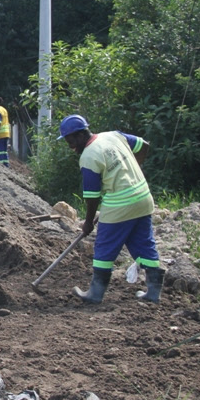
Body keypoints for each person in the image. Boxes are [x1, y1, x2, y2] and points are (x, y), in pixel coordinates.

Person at [58, 114, 164, 303]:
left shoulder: (88, 156)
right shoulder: (114, 136)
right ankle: (154, 293)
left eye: (70, 141)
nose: (70, 146)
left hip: (119, 206)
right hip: (143, 198)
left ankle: (95, 294)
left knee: (104, 247)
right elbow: (143, 145)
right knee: (143, 243)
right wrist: (133, 168)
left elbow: (92, 197)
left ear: (81, 135)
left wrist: (88, 223)